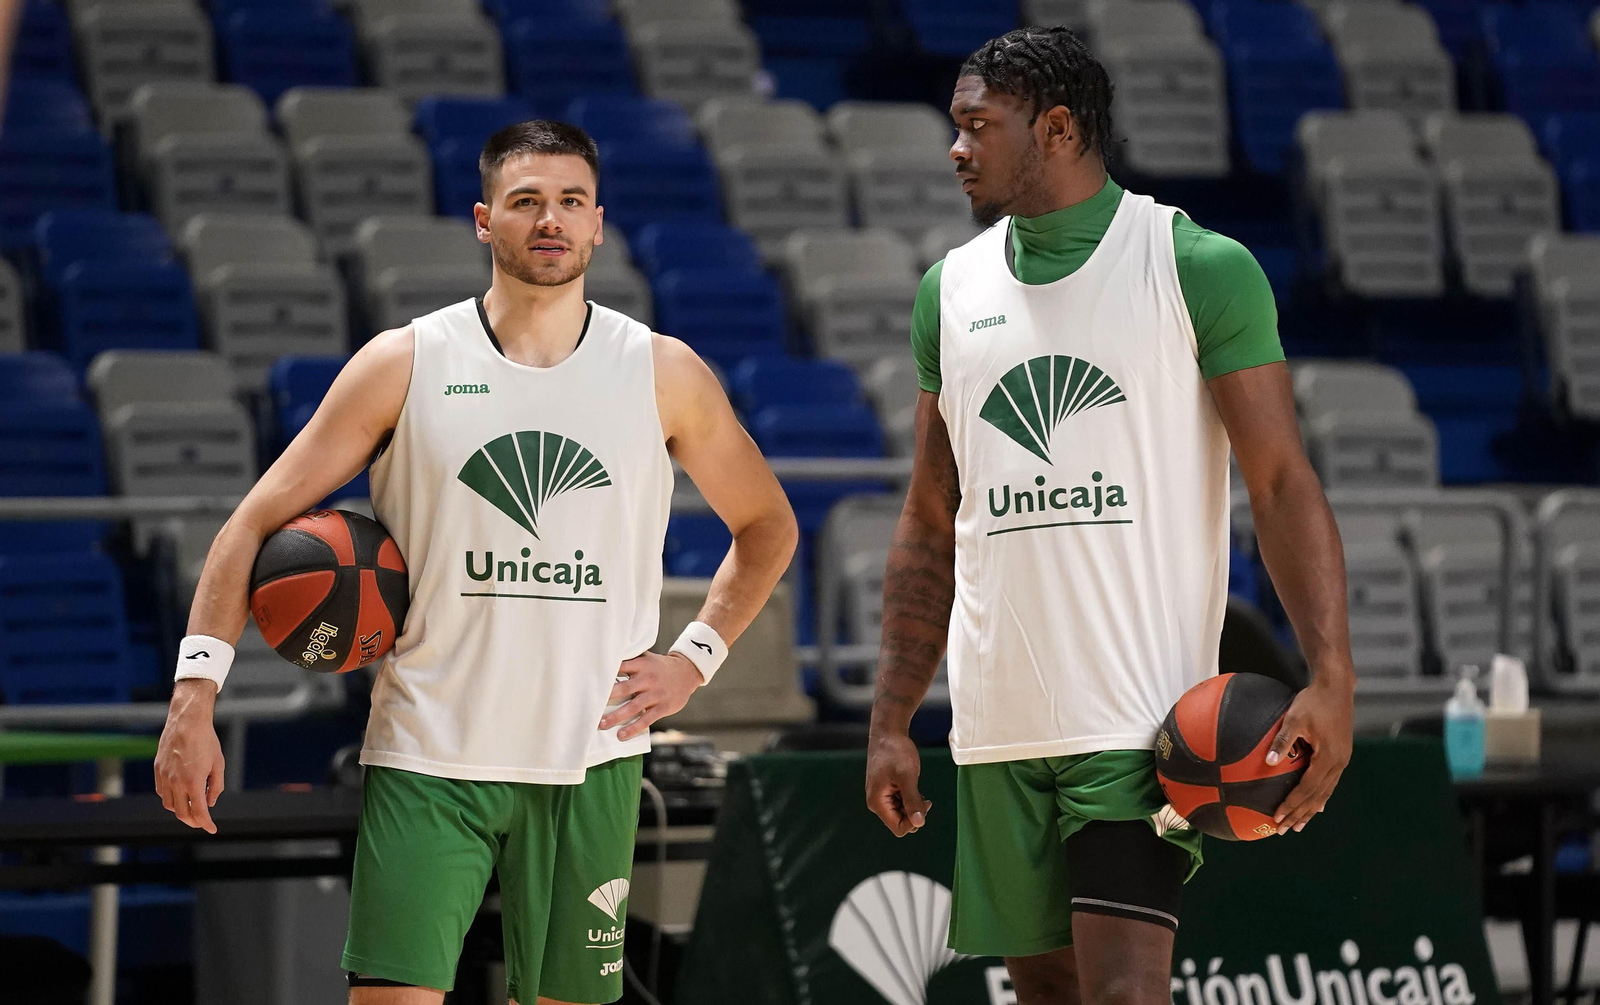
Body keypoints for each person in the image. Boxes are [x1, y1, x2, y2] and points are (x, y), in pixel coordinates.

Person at [154, 120, 799, 1005]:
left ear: (598, 223)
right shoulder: (406, 361)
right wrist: (195, 697)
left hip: (592, 757)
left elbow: (767, 523)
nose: (550, 220)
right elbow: (251, 522)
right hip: (430, 750)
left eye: (571, 202)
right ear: (483, 218)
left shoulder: (662, 371)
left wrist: (696, 658)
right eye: (527, 201)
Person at [863, 27, 1357, 1005]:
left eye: (977, 126)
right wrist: (889, 719)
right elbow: (929, 517)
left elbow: (1281, 481)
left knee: (1126, 994)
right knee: (1045, 992)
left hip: (1140, 721)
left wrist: (1331, 676)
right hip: (1000, 718)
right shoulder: (948, 291)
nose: (955, 149)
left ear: (1053, 128)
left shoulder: (1194, 266)